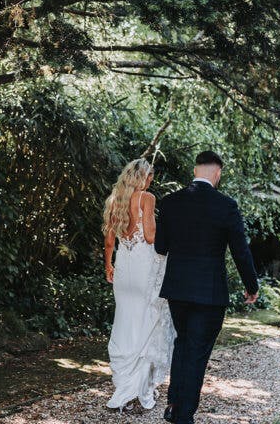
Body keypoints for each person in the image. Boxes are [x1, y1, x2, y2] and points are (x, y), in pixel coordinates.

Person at [156, 151, 259, 424]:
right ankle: (183, 416)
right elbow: (240, 250)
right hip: (209, 293)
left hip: (177, 289)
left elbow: (160, 246)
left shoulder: (169, 202)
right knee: (197, 351)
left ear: (195, 170)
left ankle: (175, 403)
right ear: (217, 173)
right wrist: (252, 286)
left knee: (183, 343)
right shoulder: (225, 205)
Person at [103, 158, 174, 411]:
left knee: (124, 322)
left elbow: (110, 242)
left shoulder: (114, 201)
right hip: (144, 269)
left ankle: (126, 386)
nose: (151, 182)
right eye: (150, 178)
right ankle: (137, 389)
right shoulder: (147, 198)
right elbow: (151, 236)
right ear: (144, 178)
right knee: (146, 323)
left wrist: (108, 266)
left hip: (123, 269)